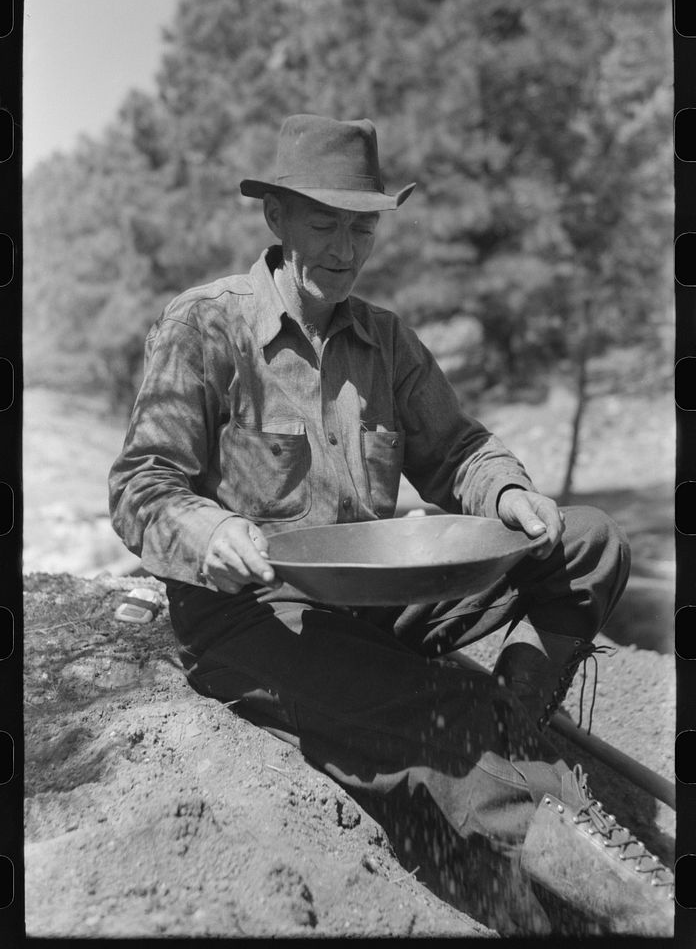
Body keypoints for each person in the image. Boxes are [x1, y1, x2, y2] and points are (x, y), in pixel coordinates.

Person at [109, 114, 673, 936]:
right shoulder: (204, 327)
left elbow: (460, 449)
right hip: (256, 613)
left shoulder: (385, 339)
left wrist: (506, 492)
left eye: (361, 225)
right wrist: (207, 529)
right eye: (325, 223)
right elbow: (140, 484)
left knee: (587, 542)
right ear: (276, 218)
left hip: (372, 599)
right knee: (435, 726)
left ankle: (508, 721)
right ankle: (627, 912)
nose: (345, 247)